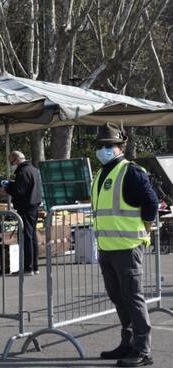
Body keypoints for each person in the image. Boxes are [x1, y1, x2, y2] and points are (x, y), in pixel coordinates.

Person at [91, 123, 158, 367]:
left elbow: (151, 203)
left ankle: (143, 350)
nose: (104, 149)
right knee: (119, 298)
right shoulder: (101, 173)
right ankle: (128, 342)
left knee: (133, 298)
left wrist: (146, 228)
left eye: (109, 145)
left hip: (128, 247)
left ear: (121, 146)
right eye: (101, 146)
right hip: (107, 248)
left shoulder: (131, 171)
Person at [0, 151, 42, 275]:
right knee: (32, 237)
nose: (12, 165)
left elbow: (19, 191)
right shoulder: (32, 169)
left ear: (16, 160)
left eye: (12, 162)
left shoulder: (23, 172)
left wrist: (7, 188)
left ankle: (28, 268)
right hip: (33, 207)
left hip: (26, 208)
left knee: (26, 238)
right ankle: (34, 266)